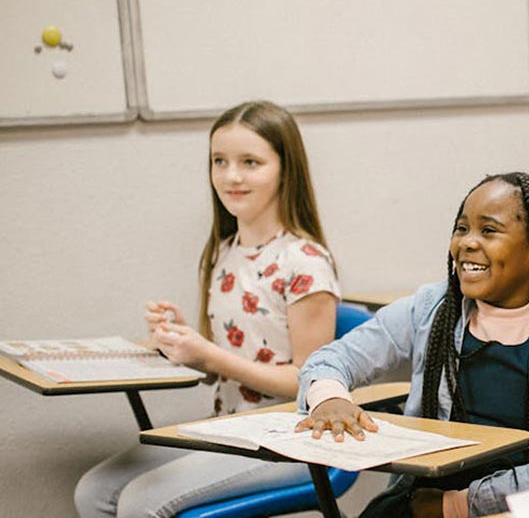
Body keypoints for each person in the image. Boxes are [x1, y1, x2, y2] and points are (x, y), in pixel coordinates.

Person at [296, 173, 529, 518]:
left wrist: (452, 506)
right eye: (462, 228)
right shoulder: (431, 308)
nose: (466, 243)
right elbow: (334, 358)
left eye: (489, 230)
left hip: (520, 509)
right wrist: (329, 396)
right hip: (421, 500)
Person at [74, 100, 340, 517]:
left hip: (291, 437)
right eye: (220, 161)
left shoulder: (305, 262)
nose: (231, 176)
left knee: (141, 502)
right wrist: (182, 343)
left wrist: (209, 354)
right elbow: (222, 366)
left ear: (286, 170)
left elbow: (310, 384)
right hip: (228, 428)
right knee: (93, 491)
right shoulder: (223, 252)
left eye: (251, 162)